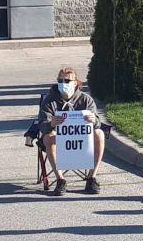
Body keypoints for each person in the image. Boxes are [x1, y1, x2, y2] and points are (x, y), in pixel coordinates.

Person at [38, 67, 104, 196]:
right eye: (60, 80)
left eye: (67, 81)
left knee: (99, 133)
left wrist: (93, 120)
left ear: (75, 83)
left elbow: (98, 122)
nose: (63, 83)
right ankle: (60, 180)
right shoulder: (49, 100)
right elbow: (41, 125)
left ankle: (91, 178)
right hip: (58, 138)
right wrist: (51, 123)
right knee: (49, 137)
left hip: (82, 139)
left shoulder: (86, 100)